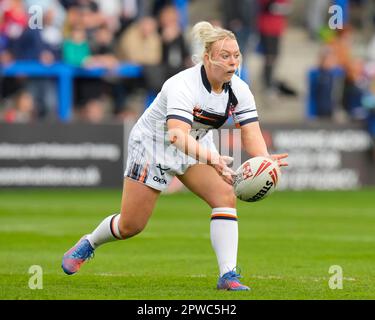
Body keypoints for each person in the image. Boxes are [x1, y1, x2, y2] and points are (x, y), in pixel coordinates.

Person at [61, 21, 288, 291]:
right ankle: (90, 242)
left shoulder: (239, 89)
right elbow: (176, 136)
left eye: (236, 55)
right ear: (207, 58)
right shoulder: (182, 85)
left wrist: (264, 160)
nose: (233, 62)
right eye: (225, 56)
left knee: (225, 196)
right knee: (131, 225)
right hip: (154, 146)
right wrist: (212, 158)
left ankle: (228, 275)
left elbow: (250, 134)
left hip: (195, 145)